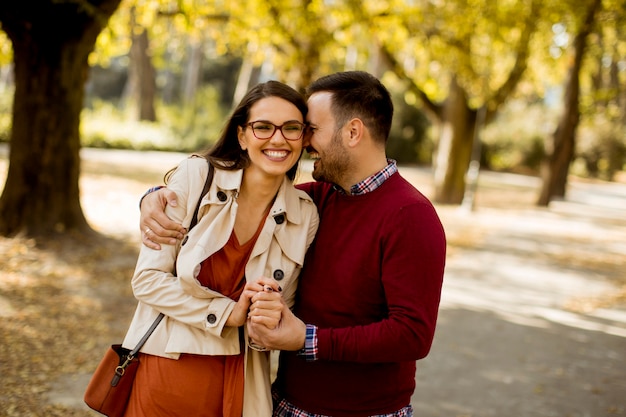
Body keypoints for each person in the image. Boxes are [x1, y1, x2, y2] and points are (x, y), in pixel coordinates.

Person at [140, 71, 446, 417]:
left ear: (352, 132)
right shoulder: (316, 199)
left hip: (362, 411)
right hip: (287, 404)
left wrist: (307, 339)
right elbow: (249, 194)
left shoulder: (411, 215)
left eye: (309, 129)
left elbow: (412, 334)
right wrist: (156, 197)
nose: (303, 142)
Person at [122, 80, 319, 417]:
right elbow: (147, 281)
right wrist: (228, 314)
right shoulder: (198, 176)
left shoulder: (305, 213)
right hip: (168, 366)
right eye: (263, 127)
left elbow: (280, 315)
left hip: (241, 382)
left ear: (303, 138)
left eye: (291, 128)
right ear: (241, 135)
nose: (278, 139)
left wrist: (267, 320)